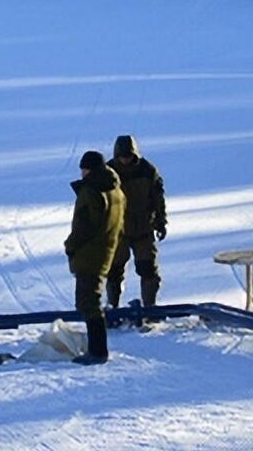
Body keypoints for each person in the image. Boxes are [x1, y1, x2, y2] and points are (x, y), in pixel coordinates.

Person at [64, 148, 124, 364]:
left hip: (90, 253)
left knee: (89, 302)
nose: (82, 174)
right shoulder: (116, 190)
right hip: (106, 250)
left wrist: (70, 245)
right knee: (91, 300)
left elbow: (85, 226)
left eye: (84, 170)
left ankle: (98, 351)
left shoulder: (92, 191)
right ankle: (97, 349)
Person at [105, 134, 168, 310]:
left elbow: (158, 198)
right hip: (118, 231)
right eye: (122, 156)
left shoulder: (148, 171)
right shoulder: (108, 172)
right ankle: (112, 308)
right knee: (114, 271)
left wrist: (161, 221)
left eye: (128, 156)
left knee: (148, 270)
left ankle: (150, 308)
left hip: (143, 229)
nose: (125, 160)